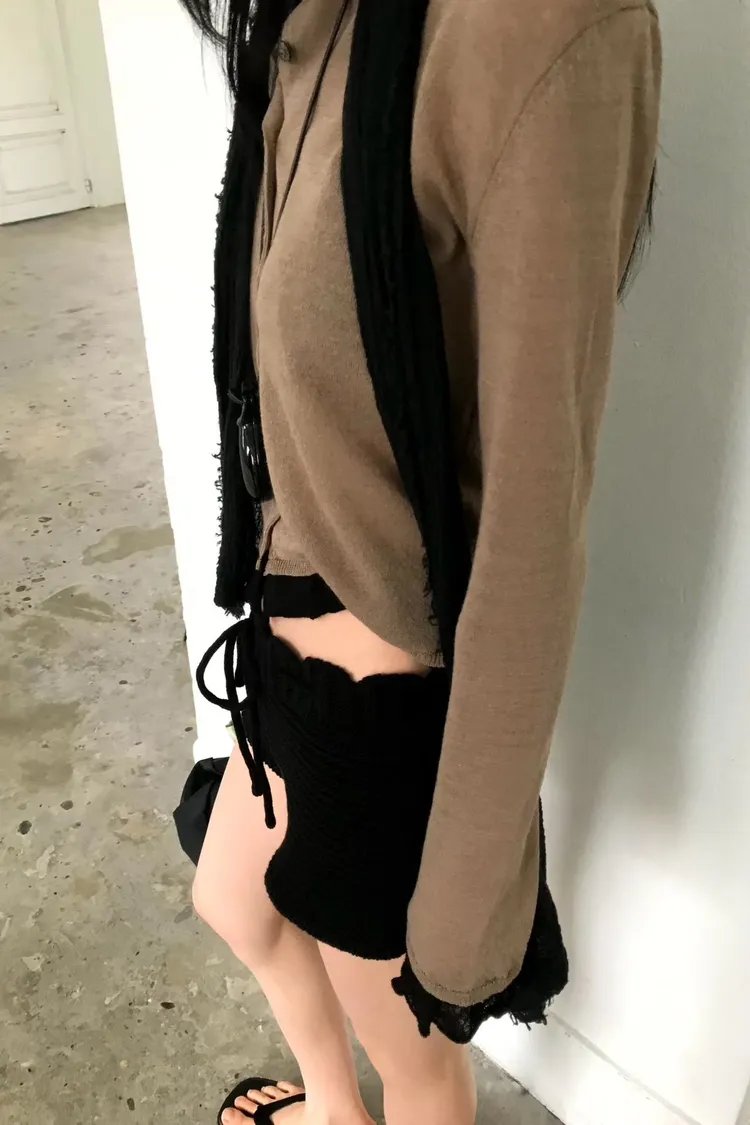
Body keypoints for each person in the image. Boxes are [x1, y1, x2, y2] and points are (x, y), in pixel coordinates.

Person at [173, 0, 662, 1122]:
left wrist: (464, 901)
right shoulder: (312, 26)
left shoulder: (537, 28)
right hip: (288, 632)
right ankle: (333, 1111)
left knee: (420, 1063)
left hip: (384, 689)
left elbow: (535, 524)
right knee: (234, 902)